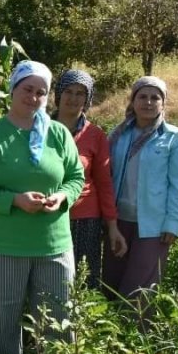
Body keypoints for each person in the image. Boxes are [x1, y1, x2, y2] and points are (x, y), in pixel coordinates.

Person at [0, 61, 85, 354]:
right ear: (13, 89)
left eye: (41, 92)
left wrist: (63, 196)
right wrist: (14, 200)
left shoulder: (58, 134)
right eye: (27, 89)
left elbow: (75, 177)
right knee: (1, 321)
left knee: (58, 318)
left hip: (53, 245)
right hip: (3, 245)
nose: (34, 97)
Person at [104, 76, 178, 313]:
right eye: (142, 96)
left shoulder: (175, 138)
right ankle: (107, 339)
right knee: (111, 282)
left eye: (156, 97)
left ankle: (137, 339)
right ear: (133, 101)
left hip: (153, 225)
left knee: (140, 289)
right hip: (118, 221)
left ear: (164, 104)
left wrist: (173, 223)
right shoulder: (119, 134)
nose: (149, 102)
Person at [52, 69, 127, 289]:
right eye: (68, 91)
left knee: (84, 278)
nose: (73, 98)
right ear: (58, 94)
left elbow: (104, 183)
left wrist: (112, 226)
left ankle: (82, 322)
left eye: (80, 93)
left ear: (88, 99)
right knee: (50, 275)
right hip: (46, 214)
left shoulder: (95, 135)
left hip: (85, 217)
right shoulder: (39, 128)